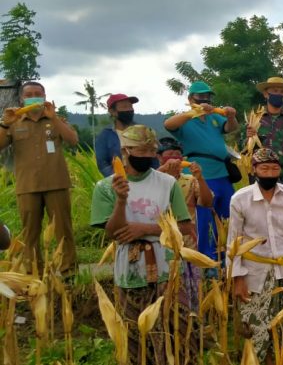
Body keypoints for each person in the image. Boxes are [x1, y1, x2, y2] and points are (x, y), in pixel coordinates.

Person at [89, 125, 194, 365]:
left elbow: (186, 227)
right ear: (126, 151)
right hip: (130, 269)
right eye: (140, 151)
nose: (147, 156)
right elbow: (113, 232)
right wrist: (121, 201)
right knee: (136, 338)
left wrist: (146, 229)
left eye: (150, 151)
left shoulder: (167, 183)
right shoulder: (106, 187)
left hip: (168, 270)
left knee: (175, 334)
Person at [228, 147, 283, 362]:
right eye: (264, 169)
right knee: (256, 330)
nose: (270, 174)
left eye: (274, 169)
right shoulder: (240, 199)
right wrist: (238, 279)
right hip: (254, 273)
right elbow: (234, 244)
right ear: (254, 170)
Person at [0, 81, 78, 278]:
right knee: (30, 233)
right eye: (29, 94)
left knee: (63, 231)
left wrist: (55, 119)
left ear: (44, 97)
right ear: (21, 98)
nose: (33, 96)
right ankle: (35, 274)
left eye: (38, 93)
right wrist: (4, 123)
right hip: (27, 186)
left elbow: (73, 140)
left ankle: (68, 273)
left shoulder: (54, 119)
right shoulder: (14, 122)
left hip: (57, 183)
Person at [164, 81, 238, 266]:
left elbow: (231, 128)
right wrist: (194, 112)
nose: (205, 100)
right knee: (205, 216)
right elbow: (168, 124)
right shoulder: (185, 120)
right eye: (200, 96)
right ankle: (206, 258)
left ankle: (228, 255)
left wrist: (230, 116)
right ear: (190, 99)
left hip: (221, 172)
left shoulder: (214, 118)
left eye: (208, 96)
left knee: (228, 214)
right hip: (200, 174)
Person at [156, 137, 213, 311]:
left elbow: (207, 202)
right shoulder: (154, 178)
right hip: (161, 242)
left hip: (188, 242)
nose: (175, 159)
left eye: (178, 155)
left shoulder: (190, 180)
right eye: (170, 155)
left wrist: (200, 178)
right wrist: (166, 174)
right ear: (160, 158)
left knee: (190, 286)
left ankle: (192, 317)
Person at [245, 76, 283, 189]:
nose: (279, 94)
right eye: (275, 91)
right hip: (260, 175)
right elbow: (243, 149)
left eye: (282, 92)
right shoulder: (254, 119)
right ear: (266, 94)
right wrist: (248, 138)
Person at [96, 93, 139, 177]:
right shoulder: (105, 136)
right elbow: (102, 163)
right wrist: (118, 177)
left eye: (131, 106)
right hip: (119, 182)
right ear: (113, 112)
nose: (129, 110)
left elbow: (153, 158)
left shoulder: (141, 132)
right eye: (124, 107)